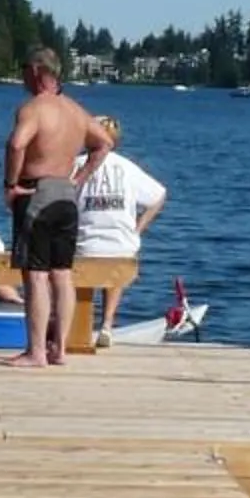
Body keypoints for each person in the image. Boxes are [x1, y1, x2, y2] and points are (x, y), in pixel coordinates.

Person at [1, 46, 96, 366]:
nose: (22, 75)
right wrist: (78, 177)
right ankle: (60, 349)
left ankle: (36, 351)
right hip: (66, 197)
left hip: (36, 194)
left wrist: (10, 184)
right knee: (62, 273)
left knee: (36, 275)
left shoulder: (34, 108)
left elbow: (16, 144)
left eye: (25, 68)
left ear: (40, 71)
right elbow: (104, 143)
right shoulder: (76, 111)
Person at [74, 114, 169, 345]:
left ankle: (79, 325)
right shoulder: (128, 168)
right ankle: (106, 324)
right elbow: (159, 195)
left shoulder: (76, 165)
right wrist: (137, 228)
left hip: (83, 244)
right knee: (117, 259)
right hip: (121, 245)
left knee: (81, 261)